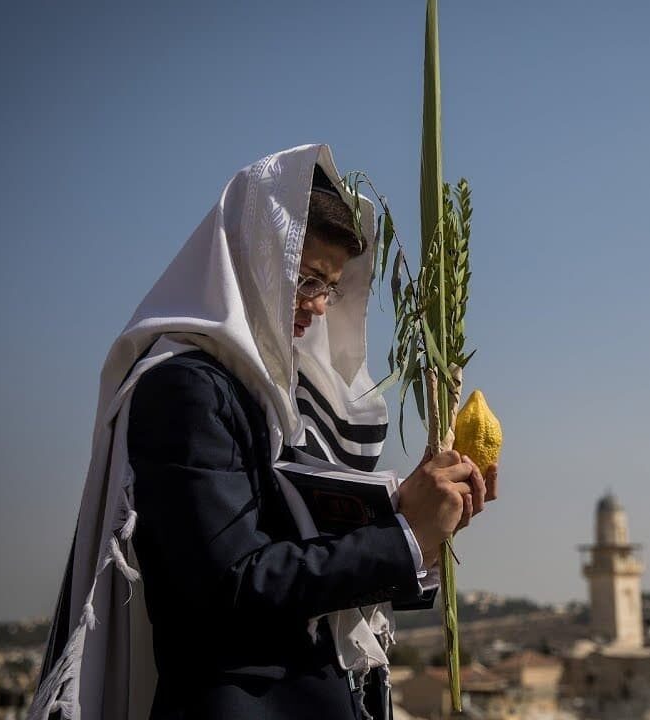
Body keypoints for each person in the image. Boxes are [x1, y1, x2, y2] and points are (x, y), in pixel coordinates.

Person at [30, 144, 498, 720]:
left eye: (328, 287)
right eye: (304, 281)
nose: (319, 307)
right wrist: (401, 536)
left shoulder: (277, 398)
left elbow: (306, 551)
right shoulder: (186, 391)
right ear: (254, 264)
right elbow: (232, 583)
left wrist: (426, 522)